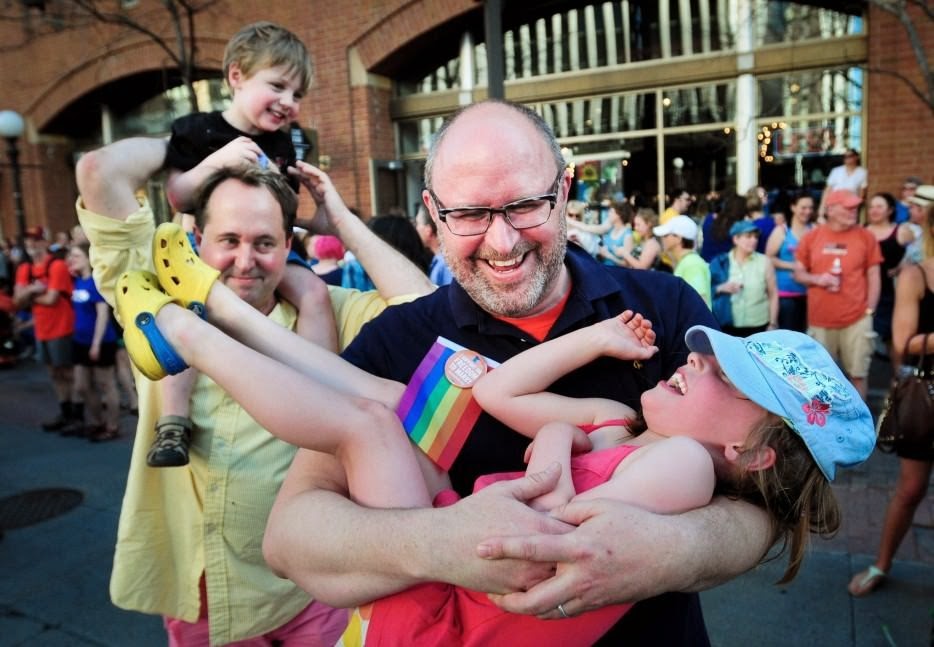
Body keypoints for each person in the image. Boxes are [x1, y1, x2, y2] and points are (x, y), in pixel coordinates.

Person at [110, 246, 874, 645]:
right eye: (472, 210)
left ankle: (186, 331)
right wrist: (573, 395)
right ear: (435, 217)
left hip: (459, 615)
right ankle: (214, 318)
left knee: (368, 420)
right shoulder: (633, 427)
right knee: (378, 401)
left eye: (730, 379)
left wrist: (555, 462)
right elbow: (502, 397)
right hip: (454, 571)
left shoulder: (675, 454)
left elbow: (554, 544)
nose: (699, 358)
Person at [262, 99, 775, 645]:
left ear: (564, 191)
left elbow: (769, 506)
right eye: (469, 214)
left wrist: (667, 550)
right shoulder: (395, 340)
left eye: (526, 205)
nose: (502, 242)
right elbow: (289, 540)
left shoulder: (665, 306)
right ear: (434, 213)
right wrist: (444, 543)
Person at [74, 136, 434, 646]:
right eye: (229, 240)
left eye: (264, 242)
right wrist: (203, 145)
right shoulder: (155, 290)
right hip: (205, 596)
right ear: (197, 239)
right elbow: (98, 171)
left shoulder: (328, 307)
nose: (245, 261)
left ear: (289, 245)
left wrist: (343, 224)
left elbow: (423, 315)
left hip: (309, 588)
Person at [152, 20, 338, 468]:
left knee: (313, 291)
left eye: (297, 95)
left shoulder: (282, 144)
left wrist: (318, 215)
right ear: (236, 76)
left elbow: (285, 212)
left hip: (272, 249)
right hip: (203, 252)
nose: (289, 103)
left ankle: (327, 391)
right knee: (186, 317)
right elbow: (176, 195)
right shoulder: (197, 131)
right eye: (277, 86)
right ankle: (173, 421)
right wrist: (218, 161)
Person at [848, 200, 934, 597]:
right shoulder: (917, 275)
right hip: (927, 397)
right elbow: (903, 342)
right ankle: (882, 563)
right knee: (911, 488)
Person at [794, 189, 882, 400]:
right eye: (848, 207)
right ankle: (828, 429)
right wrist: (817, 279)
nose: (854, 211)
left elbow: (874, 275)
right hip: (821, 320)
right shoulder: (812, 237)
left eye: (855, 207)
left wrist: (870, 310)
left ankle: (862, 427)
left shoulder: (866, 236)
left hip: (857, 319)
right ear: (831, 209)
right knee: (822, 377)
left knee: (858, 375)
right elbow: (798, 273)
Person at [13, 225, 77, 431]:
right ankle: (65, 411)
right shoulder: (25, 269)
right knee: (53, 373)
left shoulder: (56, 265)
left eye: (35, 239)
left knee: (67, 372)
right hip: (42, 329)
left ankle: (78, 413)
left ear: (44, 242)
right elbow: (17, 301)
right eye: (28, 240)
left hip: (61, 326)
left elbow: (51, 298)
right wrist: (33, 289)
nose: (31, 244)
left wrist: (29, 295)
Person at [65, 242, 122, 442]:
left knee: (106, 383)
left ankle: (112, 426)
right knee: (81, 385)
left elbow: (102, 315)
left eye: (76, 256)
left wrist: (96, 344)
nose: (72, 260)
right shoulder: (77, 281)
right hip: (80, 340)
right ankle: (98, 421)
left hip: (101, 341)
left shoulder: (96, 282)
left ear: (88, 258)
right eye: (71, 256)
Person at [710, 220, 778, 337]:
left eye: (756, 237)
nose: (754, 240)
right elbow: (707, 290)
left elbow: (773, 294)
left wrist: (773, 323)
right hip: (727, 326)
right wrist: (721, 288)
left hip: (758, 326)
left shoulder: (764, 262)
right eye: (748, 236)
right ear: (735, 239)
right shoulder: (721, 262)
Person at [865, 192, 909, 356]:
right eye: (871, 207)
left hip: (893, 293)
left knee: (892, 336)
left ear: (890, 210)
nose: (874, 210)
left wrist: (900, 268)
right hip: (866, 292)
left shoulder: (901, 231)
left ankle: (896, 376)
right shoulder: (863, 232)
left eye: (879, 206)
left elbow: (918, 254)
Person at [765, 191, 814, 332]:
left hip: (810, 293)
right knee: (789, 338)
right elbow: (768, 259)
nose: (808, 211)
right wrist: (793, 266)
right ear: (793, 207)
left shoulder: (815, 230)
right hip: (786, 294)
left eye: (810, 208)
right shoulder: (782, 231)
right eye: (803, 208)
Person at [653, 215, 711, 308]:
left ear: (678, 238)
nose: (662, 238)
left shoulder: (691, 264)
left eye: (666, 235)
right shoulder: (688, 262)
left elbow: (698, 304)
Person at [819, 148, 867, 218]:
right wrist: (822, 207)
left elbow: (862, 194)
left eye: (850, 156)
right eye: (845, 157)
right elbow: (828, 190)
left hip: (850, 207)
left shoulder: (862, 172)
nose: (847, 159)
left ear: (856, 157)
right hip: (834, 205)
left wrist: (855, 206)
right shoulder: (836, 171)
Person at [414, 205, 454, 286]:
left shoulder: (445, 265)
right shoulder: (440, 261)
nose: (416, 229)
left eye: (418, 224)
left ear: (428, 230)